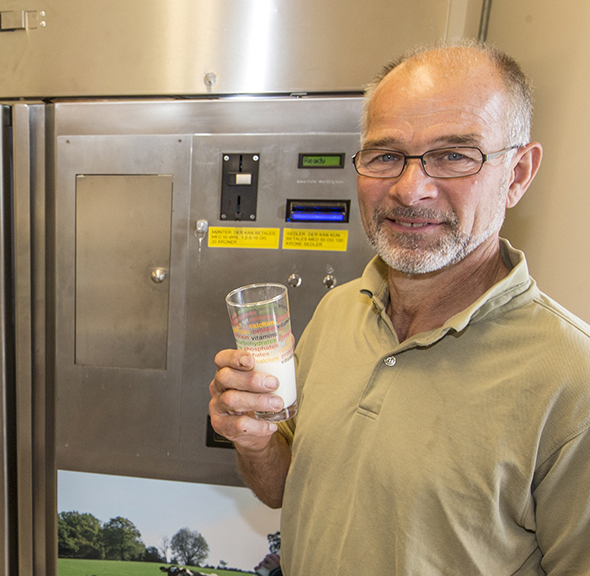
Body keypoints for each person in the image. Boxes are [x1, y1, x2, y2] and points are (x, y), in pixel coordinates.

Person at [209, 41, 590, 574]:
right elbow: (285, 488)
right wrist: (253, 441)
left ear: (519, 174)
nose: (411, 190)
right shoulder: (339, 311)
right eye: (387, 155)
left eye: (455, 155)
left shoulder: (573, 382)